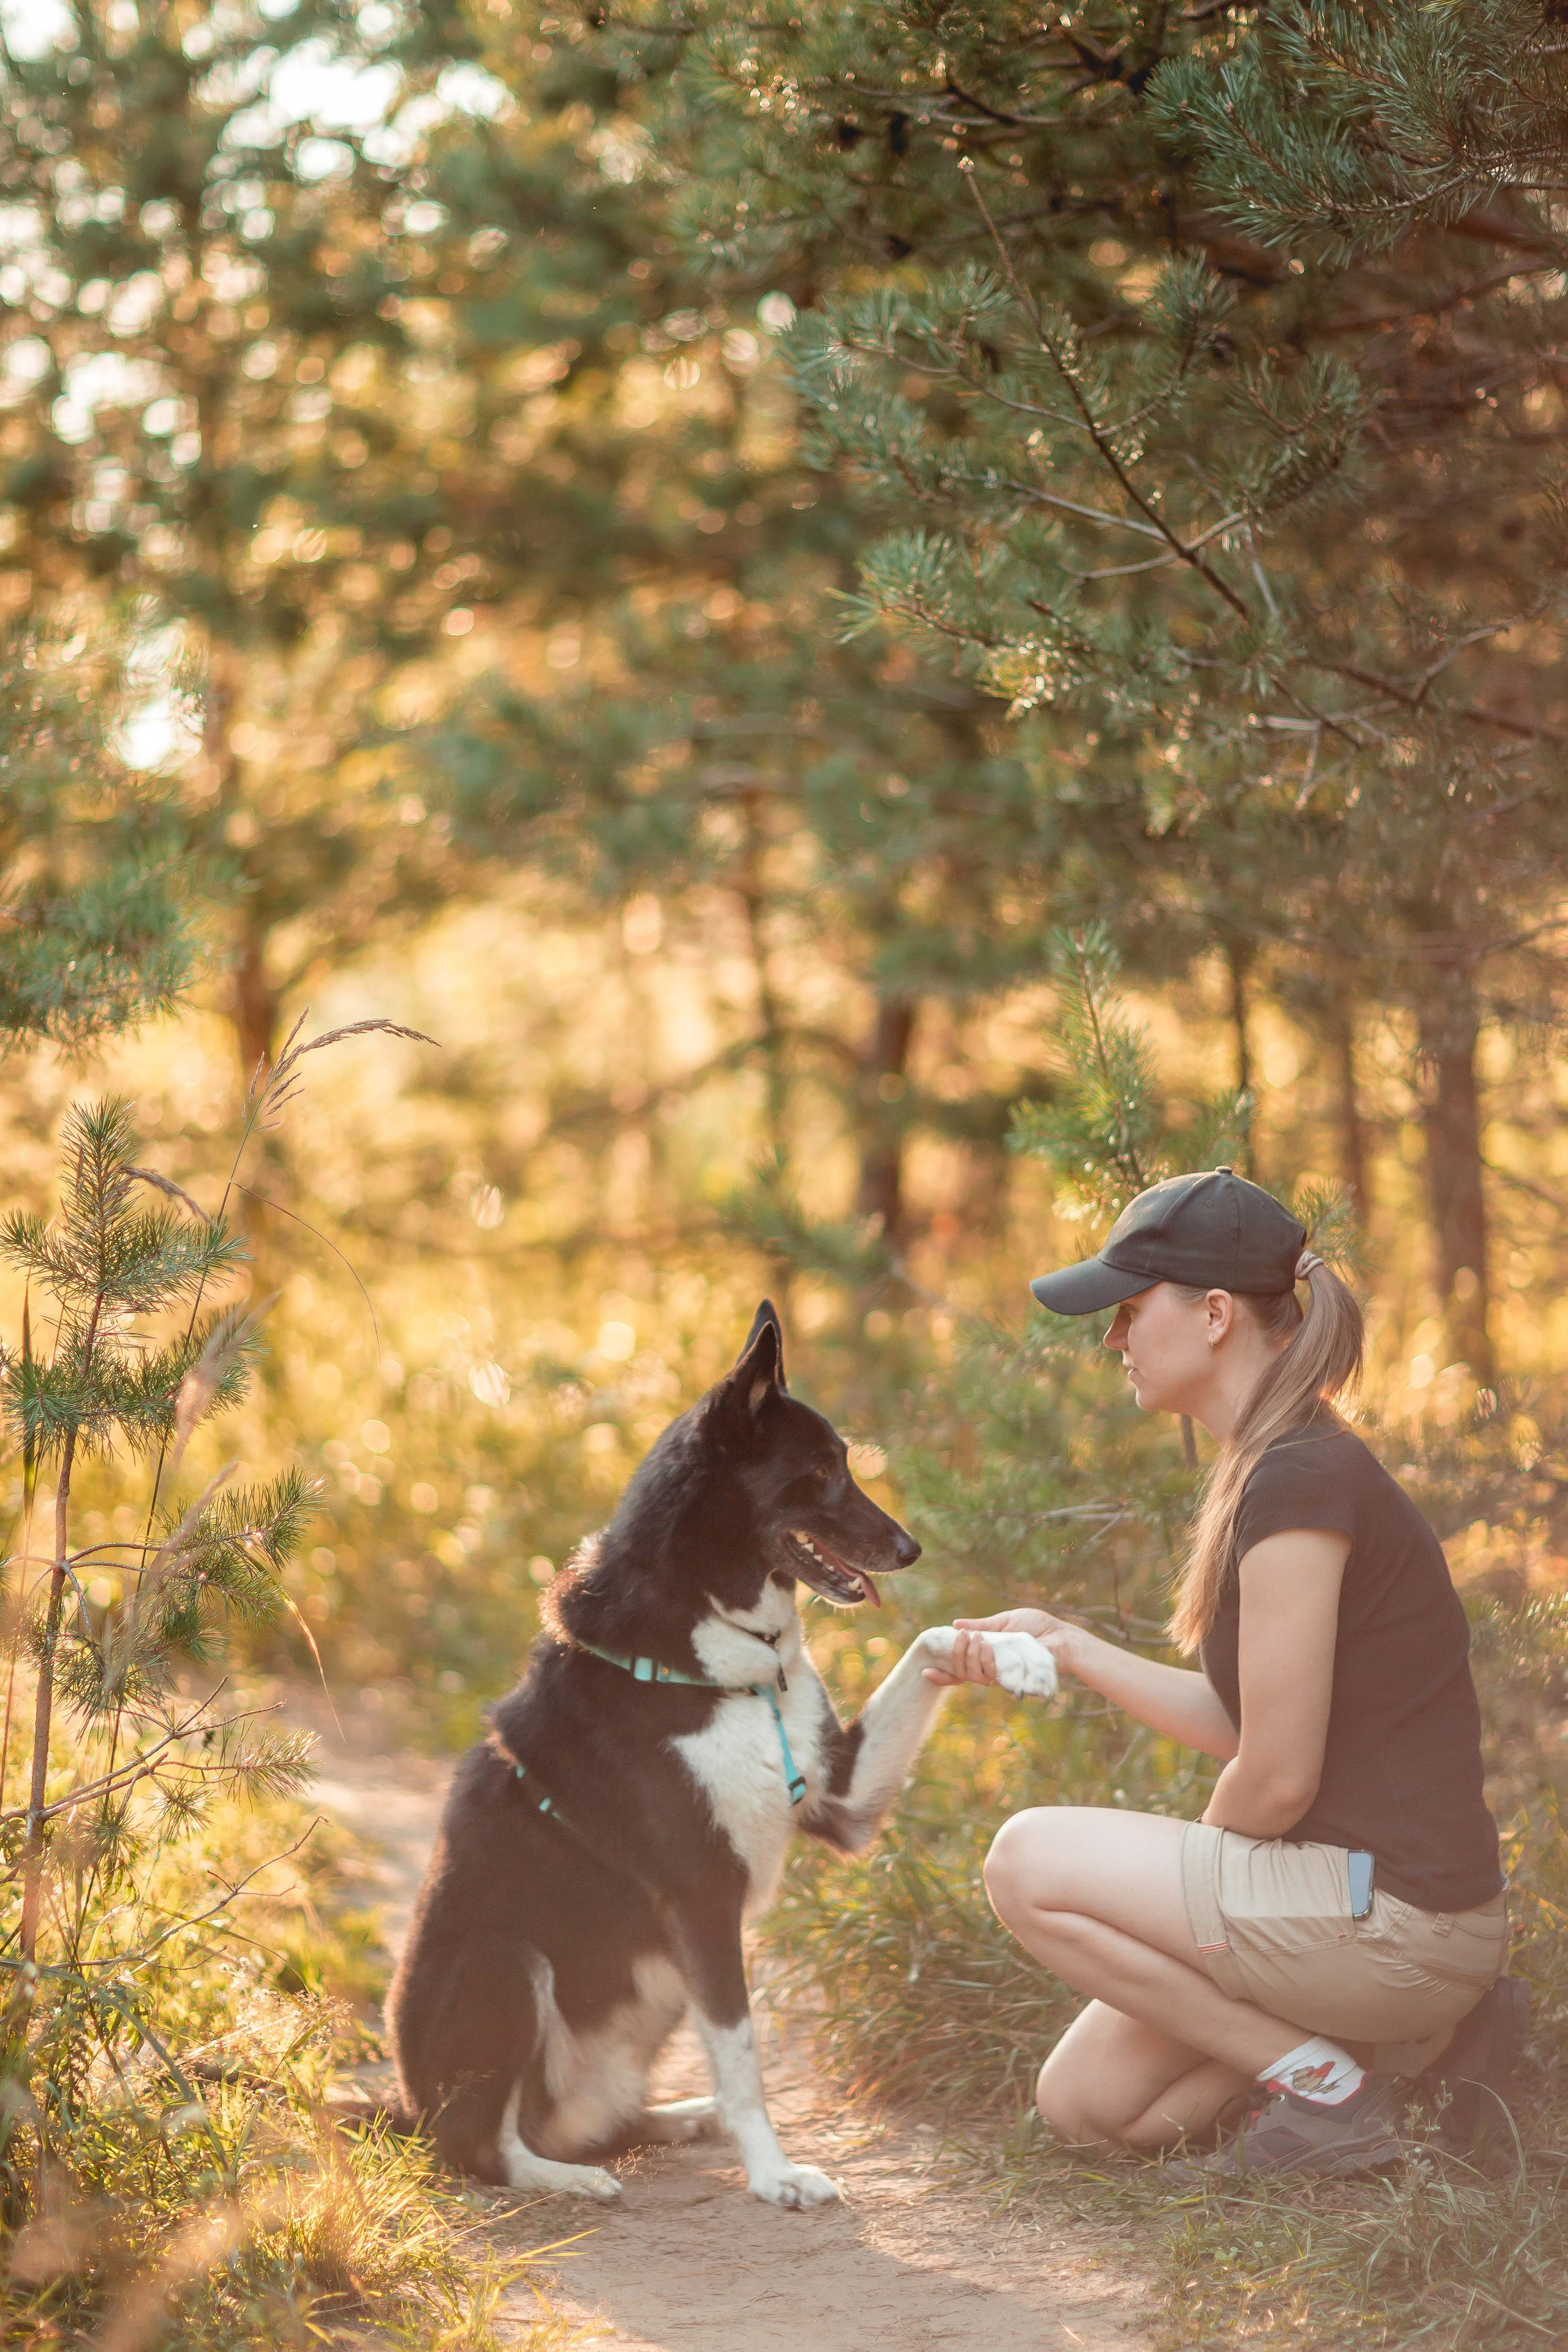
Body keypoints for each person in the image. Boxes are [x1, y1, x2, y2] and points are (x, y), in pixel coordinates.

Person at [927, 1168, 1507, 2177]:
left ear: (1212, 1314)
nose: (1111, 1339)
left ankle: (1335, 2091)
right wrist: (1071, 1648)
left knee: (1023, 1859)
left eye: (1128, 1310)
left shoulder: (1300, 1482)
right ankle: (1398, 2055)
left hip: (1399, 1918)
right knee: (1092, 2110)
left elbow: (1276, 1778)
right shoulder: (1281, 1465)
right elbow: (1249, 1721)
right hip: (1352, 1914)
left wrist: (1200, 1885)